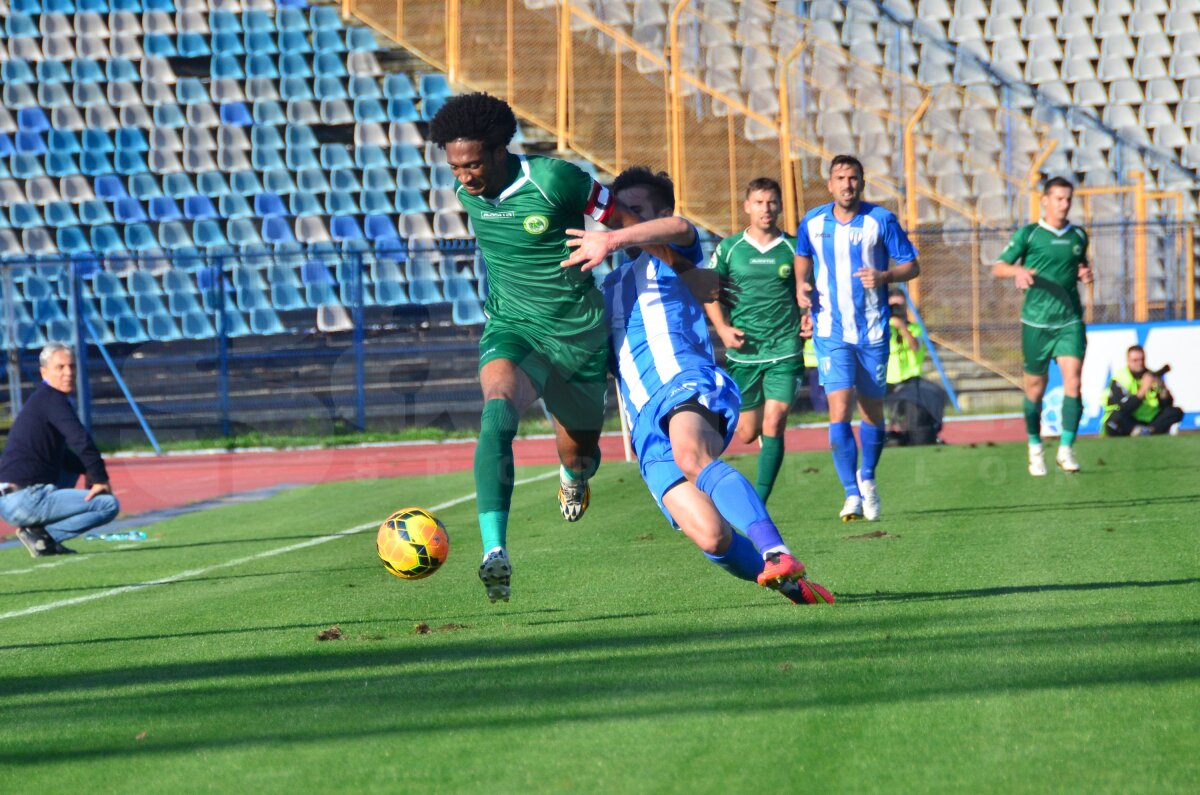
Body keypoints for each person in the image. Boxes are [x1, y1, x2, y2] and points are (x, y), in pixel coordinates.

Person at [429, 93, 717, 603]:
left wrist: (688, 272)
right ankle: (495, 552)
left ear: (500, 151)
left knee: (580, 453)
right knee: (497, 412)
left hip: (577, 338)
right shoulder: (466, 187)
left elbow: (627, 227)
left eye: (472, 164)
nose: (464, 177)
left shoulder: (556, 180)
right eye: (455, 166)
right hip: (513, 329)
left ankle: (573, 476)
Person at [568, 166, 833, 604]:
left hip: (685, 383)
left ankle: (777, 550)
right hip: (644, 426)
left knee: (692, 454)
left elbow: (681, 227)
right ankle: (790, 584)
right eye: (618, 211)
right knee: (712, 537)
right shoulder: (605, 287)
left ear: (659, 213)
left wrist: (614, 237)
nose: (623, 218)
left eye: (636, 211)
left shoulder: (674, 260)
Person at [795, 155, 920, 522]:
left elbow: (912, 265)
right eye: (840, 178)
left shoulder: (880, 220)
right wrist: (802, 286)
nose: (847, 184)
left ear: (861, 183)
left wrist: (884, 276)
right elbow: (803, 256)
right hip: (830, 330)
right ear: (830, 184)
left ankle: (867, 478)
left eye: (853, 178)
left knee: (871, 412)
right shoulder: (813, 222)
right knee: (839, 409)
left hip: (873, 330)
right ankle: (850, 493)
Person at [704, 177, 803, 502]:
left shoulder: (793, 247)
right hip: (745, 354)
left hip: (785, 349)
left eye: (772, 202)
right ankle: (760, 442)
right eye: (759, 202)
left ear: (780, 206)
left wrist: (810, 316)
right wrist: (722, 327)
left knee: (775, 420)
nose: (766, 208)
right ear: (747, 206)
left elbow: (810, 292)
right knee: (747, 434)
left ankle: (759, 505)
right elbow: (708, 291)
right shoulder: (730, 248)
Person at [992, 176, 1094, 476]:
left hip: (1070, 320)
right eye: (1059, 198)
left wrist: (1085, 273)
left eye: (1068, 199)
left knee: (1073, 381)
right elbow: (998, 267)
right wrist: (1018, 271)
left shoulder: (1078, 235)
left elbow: (1078, 265)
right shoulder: (1030, 234)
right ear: (1045, 200)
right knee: (1035, 389)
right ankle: (1035, 447)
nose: (1064, 204)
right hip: (1036, 322)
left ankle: (1065, 449)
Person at [0, 343, 120, 557]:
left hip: (10, 500)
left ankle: (42, 535)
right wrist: (100, 478)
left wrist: (88, 470)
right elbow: (81, 440)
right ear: (44, 372)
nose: (68, 373)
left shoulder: (42, 400)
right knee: (108, 505)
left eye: (72, 366)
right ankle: (45, 537)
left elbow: (62, 455)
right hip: (26, 499)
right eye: (60, 367)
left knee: (69, 467)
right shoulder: (52, 399)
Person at [1101, 345, 1182, 436]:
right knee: (1115, 419)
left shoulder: (1151, 375)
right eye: (1135, 360)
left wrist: (1162, 389)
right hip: (1129, 419)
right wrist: (1144, 389)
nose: (1139, 363)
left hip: (1150, 419)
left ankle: (1148, 431)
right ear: (1128, 361)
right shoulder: (1120, 378)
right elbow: (1125, 407)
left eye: (1142, 360)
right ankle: (1144, 431)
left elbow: (1166, 405)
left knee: (1175, 412)